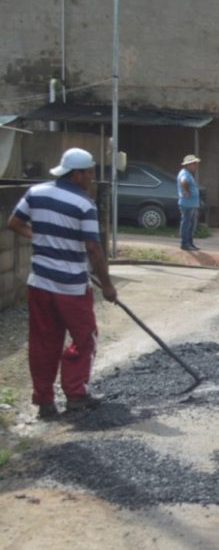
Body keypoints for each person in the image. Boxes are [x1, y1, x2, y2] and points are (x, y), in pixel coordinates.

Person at [6, 147, 117, 420]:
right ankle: (76, 394)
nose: (91, 177)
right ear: (76, 174)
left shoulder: (36, 192)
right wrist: (107, 285)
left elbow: (14, 223)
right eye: (89, 173)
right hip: (71, 287)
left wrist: (41, 238)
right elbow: (94, 249)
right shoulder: (84, 205)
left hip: (40, 283)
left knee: (43, 342)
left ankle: (44, 402)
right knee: (85, 338)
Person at [177, 154, 201, 251]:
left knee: (191, 224)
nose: (196, 166)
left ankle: (190, 243)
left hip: (191, 204)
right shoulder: (184, 174)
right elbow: (184, 181)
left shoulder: (188, 173)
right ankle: (185, 243)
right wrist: (186, 191)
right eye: (194, 164)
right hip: (187, 204)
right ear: (188, 164)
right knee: (187, 224)